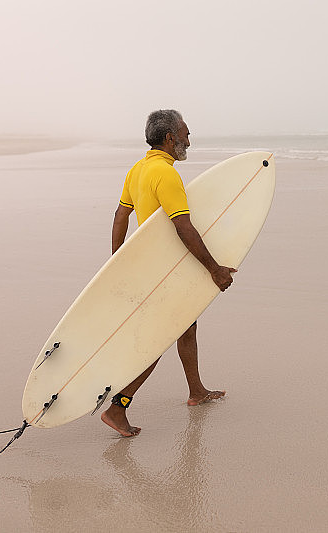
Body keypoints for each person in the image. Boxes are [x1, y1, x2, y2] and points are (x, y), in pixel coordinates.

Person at [101, 109, 235, 437]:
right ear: (170, 138)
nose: (190, 139)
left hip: (153, 268)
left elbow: (121, 214)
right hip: (163, 272)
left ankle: (196, 391)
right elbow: (182, 226)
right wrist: (215, 270)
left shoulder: (139, 169)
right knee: (159, 339)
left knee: (187, 326)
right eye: (186, 134)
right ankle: (118, 407)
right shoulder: (166, 174)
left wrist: (117, 261)